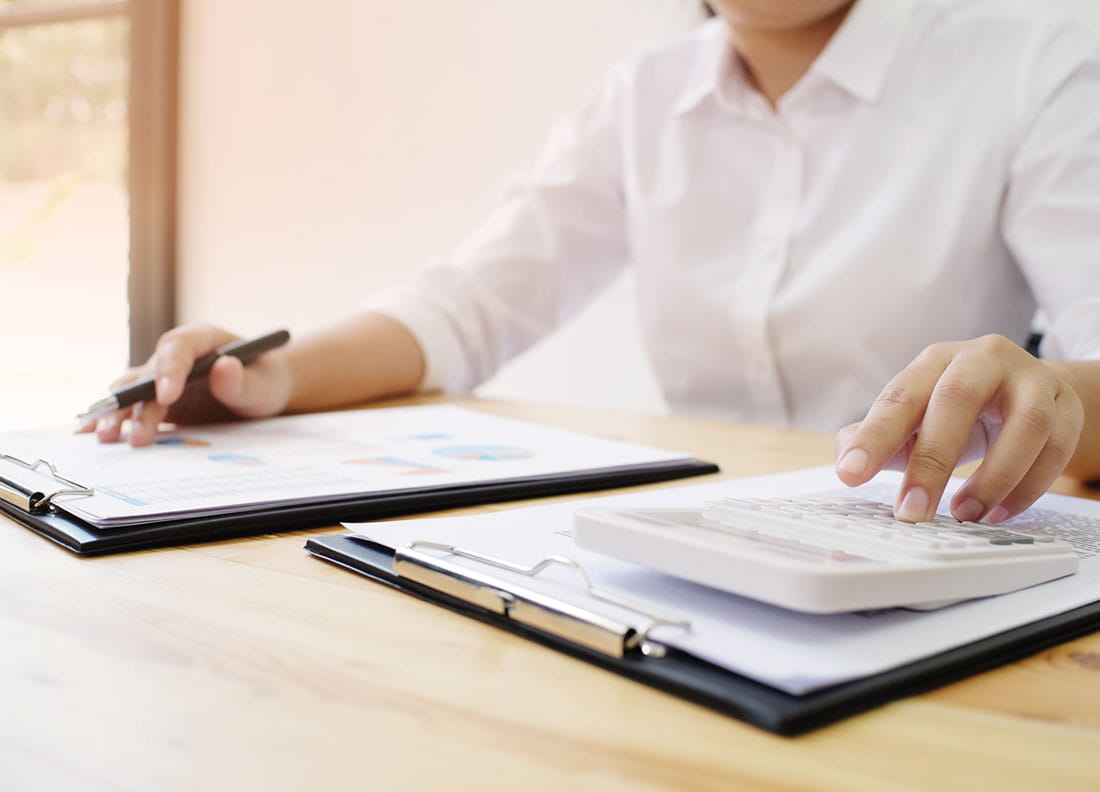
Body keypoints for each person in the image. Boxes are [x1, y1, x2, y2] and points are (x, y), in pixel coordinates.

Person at [83, 0, 1100, 526]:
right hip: (703, 553)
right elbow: (469, 305)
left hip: (940, 546)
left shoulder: (1029, 67)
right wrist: (271, 375)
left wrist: (1046, 393)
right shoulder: (641, 97)